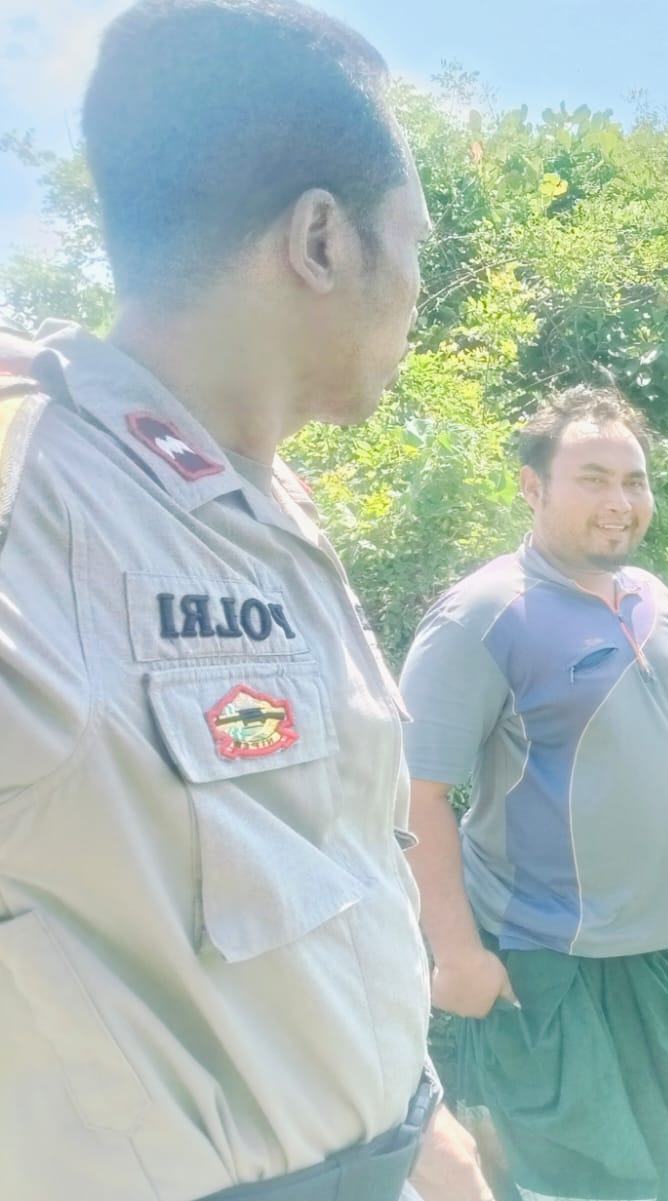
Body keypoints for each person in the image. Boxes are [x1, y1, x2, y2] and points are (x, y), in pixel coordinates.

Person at [0, 2, 492, 1198]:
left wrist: (421, 1123)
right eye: (415, 243)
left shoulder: (261, 505)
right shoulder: (36, 491)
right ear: (322, 240)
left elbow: (321, 862)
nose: (420, 287)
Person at [400, 385, 668, 1201]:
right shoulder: (483, 613)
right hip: (550, 966)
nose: (620, 502)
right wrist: (457, 954)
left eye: (633, 480)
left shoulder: (655, 597)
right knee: (569, 1180)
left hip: (659, 954)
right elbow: (414, 793)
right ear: (532, 486)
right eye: (593, 478)